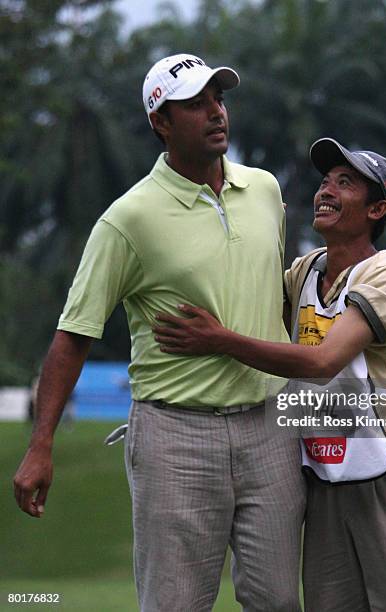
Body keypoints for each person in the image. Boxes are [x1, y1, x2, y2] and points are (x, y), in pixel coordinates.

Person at [13, 53, 306, 612]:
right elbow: (75, 334)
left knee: (278, 602)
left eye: (218, 99)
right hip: (176, 434)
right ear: (161, 123)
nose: (216, 113)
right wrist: (41, 443)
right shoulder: (129, 219)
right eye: (195, 104)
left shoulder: (265, 190)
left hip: (269, 427)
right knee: (174, 604)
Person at [153, 138, 386, 611]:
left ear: (378, 208)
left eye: (346, 183)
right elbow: (245, 298)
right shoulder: (306, 270)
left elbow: (322, 362)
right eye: (325, 181)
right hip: (326, 473)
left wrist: (218, 340)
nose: (326, 191)